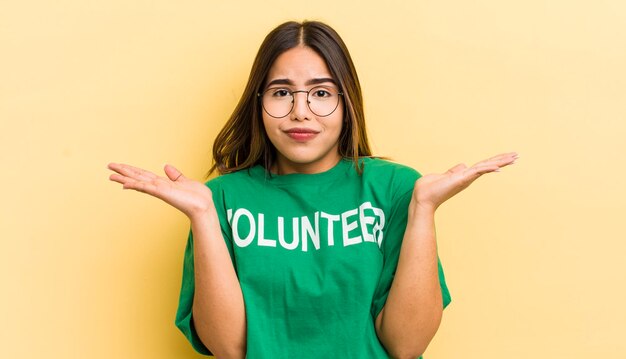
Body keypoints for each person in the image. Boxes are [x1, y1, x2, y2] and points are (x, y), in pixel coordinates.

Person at [108, 20, 517, 359]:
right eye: (281, 92)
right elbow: (229, 348)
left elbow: (406, 345)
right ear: (259, 103)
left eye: (321, 93)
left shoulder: (397, 188)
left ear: (346, 102)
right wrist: (202, 216)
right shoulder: (220, 199)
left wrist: (423, 209)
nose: (299, 111)